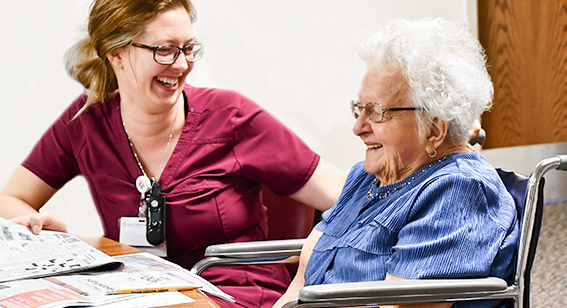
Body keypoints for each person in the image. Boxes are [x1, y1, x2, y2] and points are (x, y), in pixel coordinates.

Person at [0, 1, 346, 307]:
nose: (181, 65)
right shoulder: (87, 122)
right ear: (116, 54)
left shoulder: (233, 118)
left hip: (234, 297)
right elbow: (12, 198)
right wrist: (37, 228)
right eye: (165, 50)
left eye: (188, 49)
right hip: (142, 294)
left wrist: (310, 271)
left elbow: (348, 195)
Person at [274, 18, 518, 308]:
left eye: (376, 112)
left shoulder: (458, 192)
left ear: (433, 129)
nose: (359, 127)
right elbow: (302, 280)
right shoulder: (368, 176)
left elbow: (401, 305)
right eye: (359, 109)